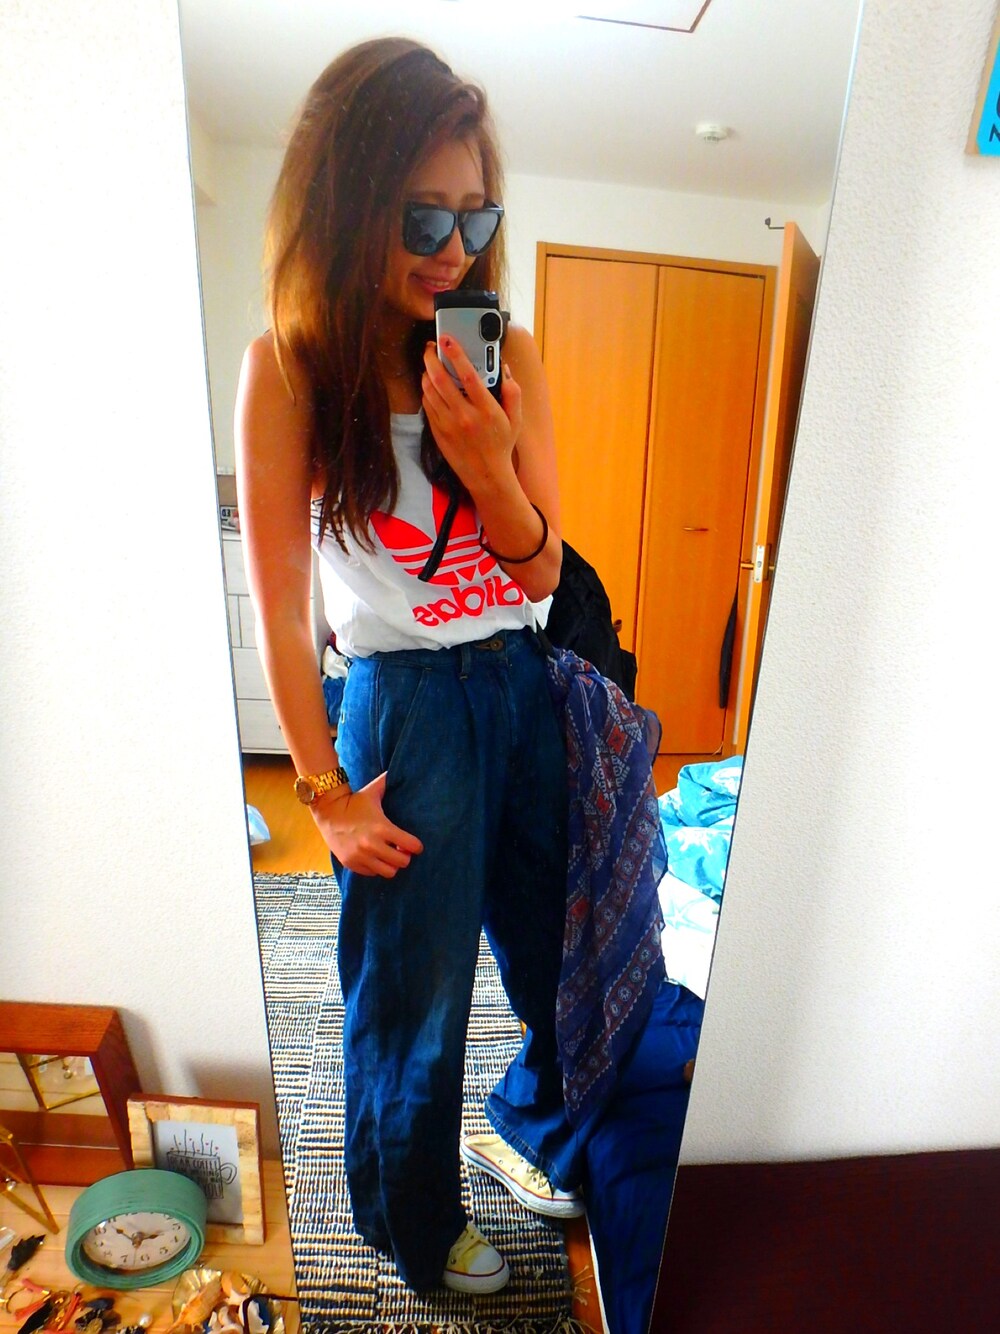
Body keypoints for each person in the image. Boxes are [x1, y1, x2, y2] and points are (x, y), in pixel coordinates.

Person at [234, 37, 585, 1295]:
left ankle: (533, 1127)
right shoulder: (290, 368)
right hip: (406, 706)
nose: (453, 248)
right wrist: (321, 793)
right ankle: (412, 1222)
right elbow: (283, 612)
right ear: (345, 200)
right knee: (412, 997)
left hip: (520, 685)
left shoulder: (506, 351)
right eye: (421, 214)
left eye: (475, 216)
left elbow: (542, 573)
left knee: (561, 953)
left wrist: (486, 461)